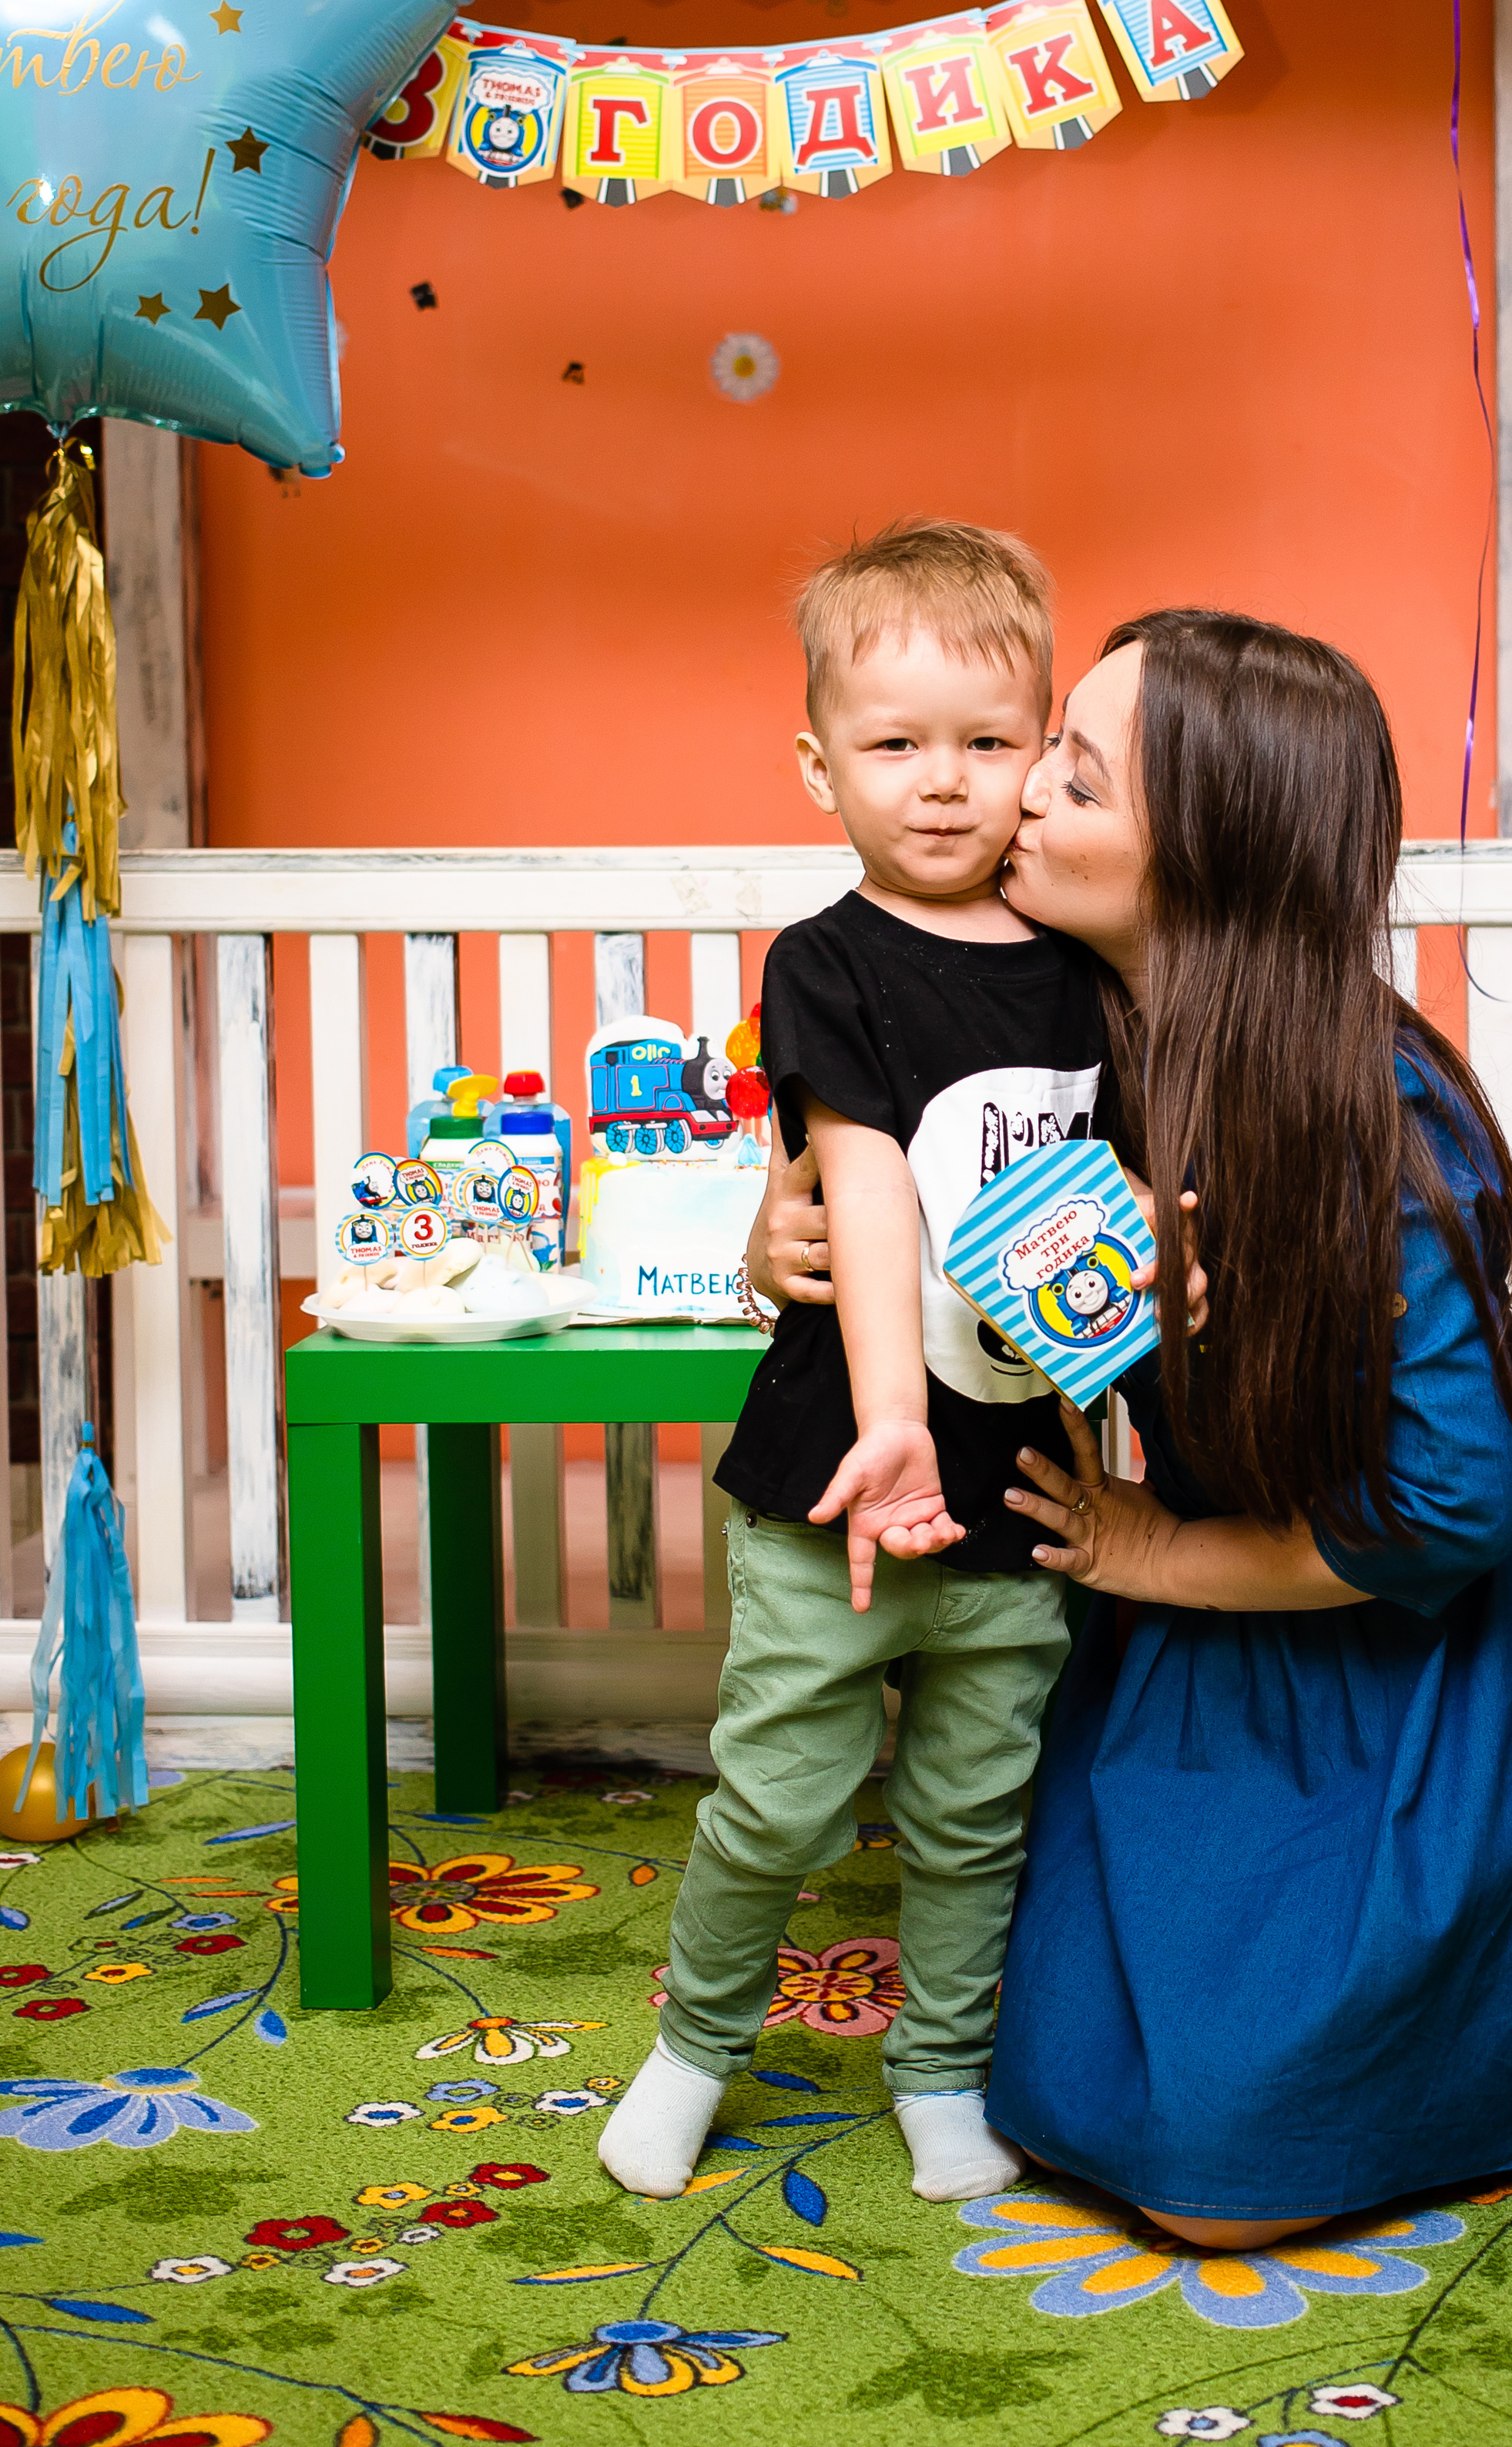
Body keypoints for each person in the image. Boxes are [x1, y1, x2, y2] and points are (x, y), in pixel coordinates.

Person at [750, 607, 1512, 2243]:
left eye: (1075, 780)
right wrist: (775, 1243)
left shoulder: (1373, 1125)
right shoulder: (1059, 1025)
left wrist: (1150, 1557)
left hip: (1412, 1628)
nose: (1016, 795)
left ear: (1205, 864)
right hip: (1208, 1603)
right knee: (1068, 2088)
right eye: (1050, 751)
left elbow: (1446, 1514)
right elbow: (893, 1187)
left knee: (1222, 2173)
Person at [600, 521, 1105, 2211]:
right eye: (895, 745)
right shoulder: (829, 963)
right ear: (821, 769)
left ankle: (942, 2066)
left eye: (987, 740)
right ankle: (695, 2047)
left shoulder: (1094, 965)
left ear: (1045, 756)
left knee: (978, 1812)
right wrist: (888, 1413)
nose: (943, 783)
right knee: (777, 1800)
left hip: (1019, 1492)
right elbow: (866, 1176)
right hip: (838, 1481)